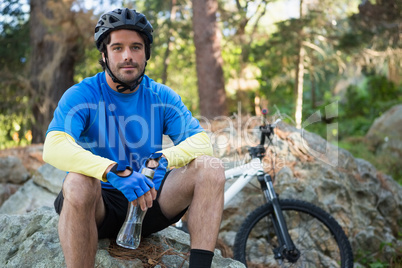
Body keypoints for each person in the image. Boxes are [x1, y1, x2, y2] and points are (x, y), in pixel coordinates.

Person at [43, 8, 225, 268]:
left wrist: (163, 159)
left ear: (146, 54)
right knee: (78, 182)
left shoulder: (162, 96)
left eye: (136, 47)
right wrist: (112, 170)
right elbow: (53, 146)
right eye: (117, 47)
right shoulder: (82, 94)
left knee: (211, 167)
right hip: (98, 207)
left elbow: (201, 142)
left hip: (149, 203)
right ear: (104, 55)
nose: (127, 56)